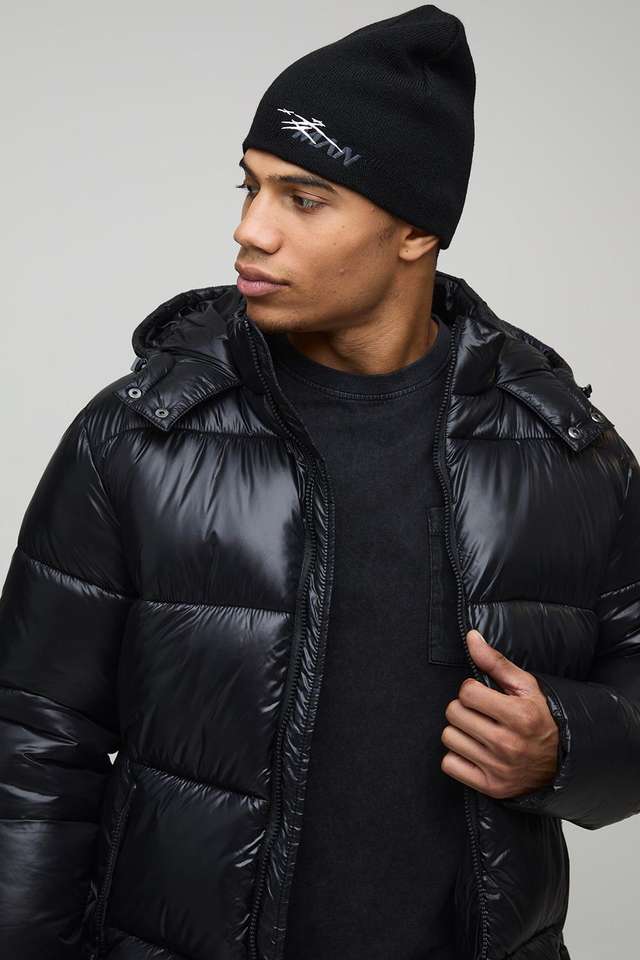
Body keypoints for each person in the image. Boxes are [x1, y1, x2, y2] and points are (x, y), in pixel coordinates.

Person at [1, 5, 639, 960]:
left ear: (415, 228)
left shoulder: (563, 451)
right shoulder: (139, 435)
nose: (249, 231)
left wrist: (570, 746)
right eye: (250, 186)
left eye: (303, 198)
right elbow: (31, 747)